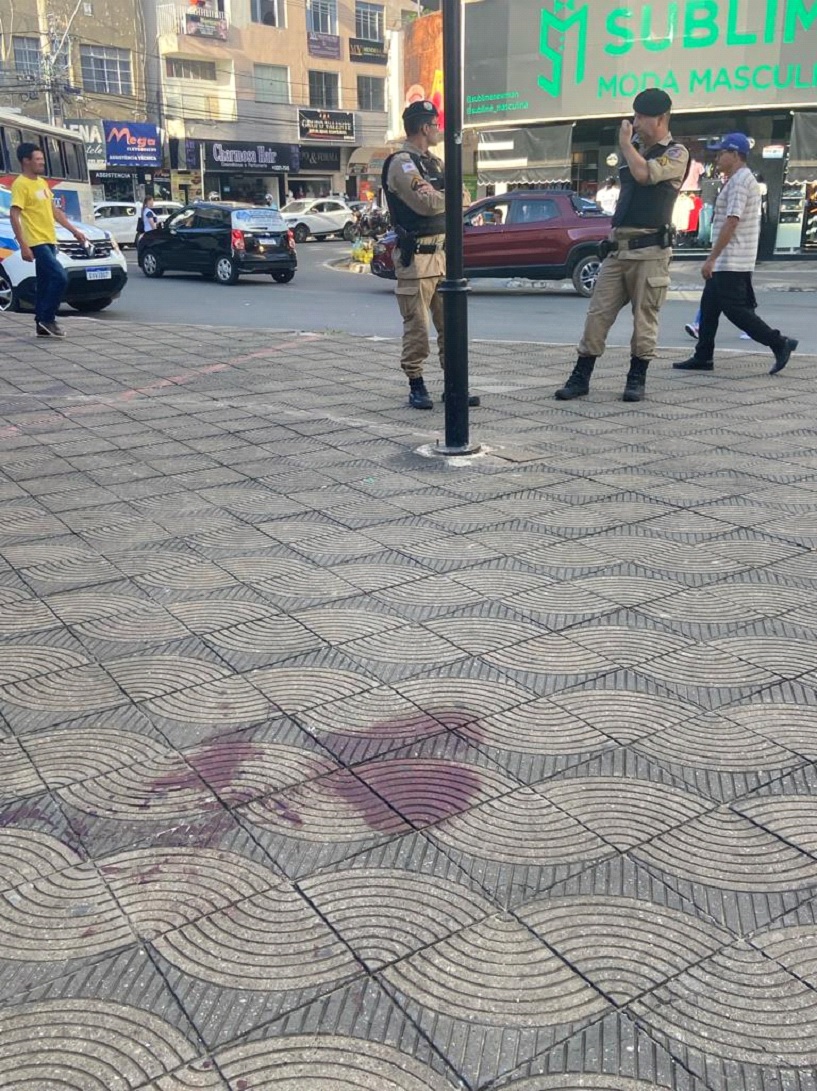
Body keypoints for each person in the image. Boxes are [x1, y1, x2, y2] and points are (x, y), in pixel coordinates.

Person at [555, 88, 689, 403]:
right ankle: (581, 376)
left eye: (642, 117)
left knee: (645, 319)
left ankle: (636, 378)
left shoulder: (675, 153)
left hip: (650, 252)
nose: (635, 122)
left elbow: (645, 176)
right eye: (635, 116)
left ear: (661, 118)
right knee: (597, 314)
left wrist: (626, 145)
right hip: (618, 249)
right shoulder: (637, 150)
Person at [673, 133, 798, 377]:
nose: (717, 157)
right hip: (729, 259)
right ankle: (703, 355)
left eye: (721, 153)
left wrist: (712, 258)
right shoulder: (736, 180)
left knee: (736, 310)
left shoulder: (740, 182)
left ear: (735, 155)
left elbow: (732, 221)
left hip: (732, 260)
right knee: (709, 308)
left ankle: (779, 342)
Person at [381, 99, 478, 410]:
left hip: (443, 258)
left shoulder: (435, 163)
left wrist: (443, 197)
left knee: (452, 329)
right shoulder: (402, 164)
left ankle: (454, 387)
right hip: (417, 260)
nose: (438, 130)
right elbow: (426, 204)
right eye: (435, 125)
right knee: (418, 329)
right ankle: (416, 383)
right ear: (424, 127)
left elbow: (465, 197)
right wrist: (447, 197)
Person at [10, 142, 87, 338]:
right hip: (36, 241)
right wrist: (23, 245)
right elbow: (14, 215)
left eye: (42, 159)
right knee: (60, 276)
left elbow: (55, 212)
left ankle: (41, 324)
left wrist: (75, 231)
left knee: (45, 283)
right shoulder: (21, 184)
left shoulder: (42, 183)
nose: (42, 162)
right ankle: (48, 319)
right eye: (38, 159)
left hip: (49, 239)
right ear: (26, 161)